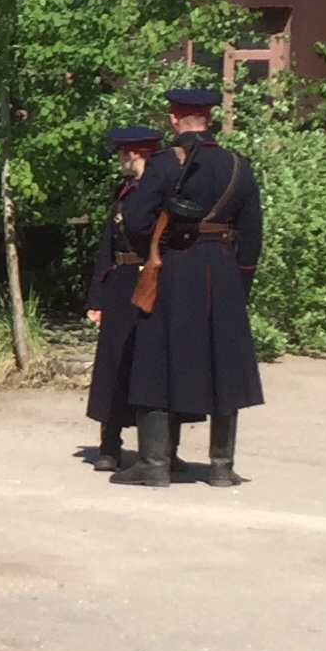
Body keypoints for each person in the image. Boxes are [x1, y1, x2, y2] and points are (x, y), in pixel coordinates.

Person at [112, 87, 267, 489]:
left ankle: (154, 463)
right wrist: (240, 283)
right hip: (224, 273)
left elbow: (136, 221)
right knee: (223, 364)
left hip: (175, 267)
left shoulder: (164, 163)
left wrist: (155, 244)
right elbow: (252, 233)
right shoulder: (239, 166)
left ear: (174, 120)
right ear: (208, 119)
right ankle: (221, 467)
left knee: (156, 361)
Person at [80, 126, 161, 471]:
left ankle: (161, 449)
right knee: (113, 363)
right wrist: (96, 298)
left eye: (121, 153)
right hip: (121, 281)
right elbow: (107, 248)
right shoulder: (124, 191)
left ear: (133, 154)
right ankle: (110, 445)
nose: (119, 160)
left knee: (153, 364)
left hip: (154, 279)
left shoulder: (159, 193)